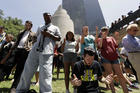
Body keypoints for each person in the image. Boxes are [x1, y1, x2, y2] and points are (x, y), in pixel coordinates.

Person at [16, 12, 61, 93]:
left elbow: (59, 38)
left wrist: (49, 35)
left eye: (48, 16)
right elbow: (36, 37)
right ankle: (21, 90)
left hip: (46, 51)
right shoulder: (40, 26)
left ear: (51, 17)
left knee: (45, 74)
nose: (46, 18)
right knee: (27, 70)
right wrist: (31, 45)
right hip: (35, 50)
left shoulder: (55, 28)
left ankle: (45, 91)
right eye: (44, 17)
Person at [97, 27, 128, 93]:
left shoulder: (111, 38)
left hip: (114, 57)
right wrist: (102, 38)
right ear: (101, 31)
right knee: (110, 75)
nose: (104, 31)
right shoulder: (99, 39)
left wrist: (116, 38)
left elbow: (116, 46)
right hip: (105, 58)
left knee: (120, 74)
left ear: (108, 31)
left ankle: (126, 91)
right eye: (103, 30)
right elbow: (99, 47)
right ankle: (113, 91)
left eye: (105, 30)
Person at [9, 20, 36, 93]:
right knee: (9, 64)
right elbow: (17, 41)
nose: (27, 26)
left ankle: (14, 87)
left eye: (28, 25)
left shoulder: (33, 34)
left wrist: (30, 49)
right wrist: (12, 48)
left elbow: (34, 43)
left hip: (24, 51)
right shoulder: (21, 32)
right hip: (16, 50)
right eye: (26, 25)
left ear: (31, 26)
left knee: (19, 69)